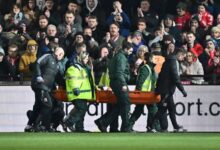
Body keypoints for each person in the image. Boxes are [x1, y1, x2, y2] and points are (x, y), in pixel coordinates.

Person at [94, 40, 133, 132]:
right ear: (126, 49)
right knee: (125, 104)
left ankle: (103, 122)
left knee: (120, 105)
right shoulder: (121, 57)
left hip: (116, 82)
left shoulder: (118, 56)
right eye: (130, 51)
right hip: (119, 83)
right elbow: (119, 72)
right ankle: (125, 127)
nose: (131, 53)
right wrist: (123, 84)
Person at [149, 42, 188, 132]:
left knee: (171, 108)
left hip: (166, 90)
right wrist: (182, 90)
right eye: (183, 56)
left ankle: (175, 126)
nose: (183, 58)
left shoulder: (168, 60)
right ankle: (152, 126)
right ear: (179, 54)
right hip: (166, 90)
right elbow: (175, 78)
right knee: (163, 109)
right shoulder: (173, 61)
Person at [24, 47, 65, 132]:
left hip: (45, 88)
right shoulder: (48, 56)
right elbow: (37, 63)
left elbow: (58, 79)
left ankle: (29, 126)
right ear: (60, 54)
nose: (62, 57)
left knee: (38, 107)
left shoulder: (57, 65)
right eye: (62, 55)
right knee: (48, 105)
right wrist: (38, 75)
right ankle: (44, 127)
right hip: (40, 85)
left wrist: (66, 84)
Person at [63, 51, 95, 132]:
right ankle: (68, 123)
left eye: (87, 58)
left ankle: (79, 128)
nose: (87, 60)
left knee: (82, 111)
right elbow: (72, 79)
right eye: (85, 58)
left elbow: (89, 81)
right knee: (81, 109)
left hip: (83, 93)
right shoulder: (74, 68)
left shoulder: (84, 68)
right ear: (80, 58)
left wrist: (95, 88)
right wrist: (75, 88)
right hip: (77, 93)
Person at [129, 52, 159, 132]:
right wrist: (138, 94)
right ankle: (153, 127)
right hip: (144, 95)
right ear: (150, 59)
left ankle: (150, 127)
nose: (156, 59)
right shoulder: (146, 68)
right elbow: (140, 82)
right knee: (152, 110)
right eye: (154, 58)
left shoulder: (150, 68)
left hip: (148, 94)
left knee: (143, 111)